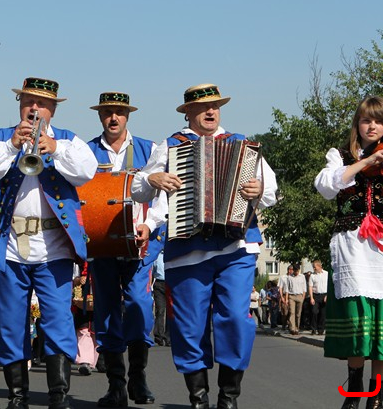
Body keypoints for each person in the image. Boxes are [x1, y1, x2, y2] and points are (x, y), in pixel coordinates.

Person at [131, 83, 278, 409]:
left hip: (236, 248)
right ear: (188, 113)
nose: (211, 111)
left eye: (215, 106)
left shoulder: (241, 144)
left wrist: (259, 189)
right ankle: (198, 399)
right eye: (202, 107)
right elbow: (139, 189)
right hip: (187, 251)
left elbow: (270, 191)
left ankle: (228, 398)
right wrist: (153, 180)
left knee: (236, 319)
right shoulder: (171, 145)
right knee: (188, 327)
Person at [0, 76, 97, 409]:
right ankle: (17, 396)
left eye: (41, 103)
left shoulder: (68, 140)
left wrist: (55, 148)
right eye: (28, 102)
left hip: (54, 248)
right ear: (20, 105)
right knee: (11, 323)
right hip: (10, 246)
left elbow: (87, 171)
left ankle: (59, 395)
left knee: (58, 320)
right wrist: (12, 145)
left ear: (53, 109)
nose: (34, 108)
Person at [84, 92, 166, 406]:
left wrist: (150, 225)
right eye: (107, 112)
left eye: (119, 112)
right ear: (100, 115)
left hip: (141, 243)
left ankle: (138, 377)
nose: (113, 118)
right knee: (105, 309)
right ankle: (116, 384)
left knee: (138, 304)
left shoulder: (150, 149)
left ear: (128, 115)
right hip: (102, 243)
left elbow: (162, 198)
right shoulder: (87, 152)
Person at [314, 95, 383, 409]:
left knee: (381, 329)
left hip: (380, 250)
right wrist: (366, 162)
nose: (373, 126)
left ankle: (377, 395)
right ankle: (355, 389)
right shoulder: (340, 156)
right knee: (357, 323)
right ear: (358, 124)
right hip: (352, 250)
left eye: (379, 121)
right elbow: (327, 186)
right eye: (367, 120)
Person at [72, 263, 97, 376]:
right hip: (82, 302)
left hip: (100, 299)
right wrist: (79, 280)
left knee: (98, 333)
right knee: (83, 330)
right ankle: (85, 361)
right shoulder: (79, 262)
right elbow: (74, 278)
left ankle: (96, 360)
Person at [152, 254, 171, 346]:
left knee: (170, 311)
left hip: (170, 283)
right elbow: (151, 272)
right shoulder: (156, 256)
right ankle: (159, 336)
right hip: (159, 284)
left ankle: (168, 337)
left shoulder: (171, 254)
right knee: (160, 310)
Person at [283, 264, 306, 335]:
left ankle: (297, 328)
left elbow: (304, 288)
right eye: (295, 271)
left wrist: (303, 297)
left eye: (297, 271)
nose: (296, 272)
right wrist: (286, 299)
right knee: (292, 312)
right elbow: (287, 289)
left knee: (298, 314)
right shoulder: (289, 277)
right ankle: (292, 328)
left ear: (299, 270)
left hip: (299, 296)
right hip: (292, 296)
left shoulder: (302, 277)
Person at [309, 260, 328, 336]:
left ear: (319, 266)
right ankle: (313, 329)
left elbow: (329, 285)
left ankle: (321, 330)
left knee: (323, 314)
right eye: (313, 267)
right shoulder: (312, 275)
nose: (314, 268)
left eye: (315, 267)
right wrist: (311, 298)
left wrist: (327, 295)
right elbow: (310, 287)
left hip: (324, 295)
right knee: (314, 312)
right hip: (315, 295)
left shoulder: (326, 274)